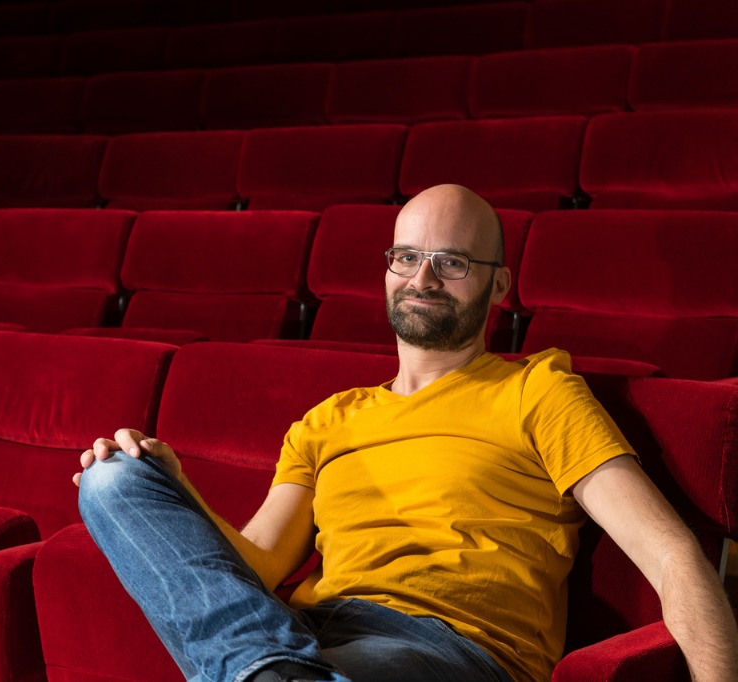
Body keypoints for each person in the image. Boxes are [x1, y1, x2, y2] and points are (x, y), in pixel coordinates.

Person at [72, 184, 738, 682]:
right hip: (304, 631)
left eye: (451, 263)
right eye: (407, 257)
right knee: (110, 481)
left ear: (498, 284)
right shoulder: (329, 419)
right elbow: (260, 565)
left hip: (447, 649)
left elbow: (674, 558)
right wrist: (176, 486)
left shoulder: (539, 391)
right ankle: (275, 671)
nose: (422, 277)